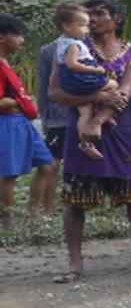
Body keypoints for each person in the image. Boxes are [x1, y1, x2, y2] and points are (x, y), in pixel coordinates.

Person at [47, 0, 131, 281]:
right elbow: (54, 93)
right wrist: (95, 98)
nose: (92, 19)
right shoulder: (71, 46)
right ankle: (74, 263)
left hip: (122, 130)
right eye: (88, 14)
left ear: (117, 19)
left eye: (100, 13)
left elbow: (126, 93)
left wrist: (97, 120)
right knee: (75, 198)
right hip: (80, 127)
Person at [0, 13, 55, 232]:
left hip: (21, 123)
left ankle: (33, 214)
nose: (22, 40)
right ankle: (6, 223)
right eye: (18, 35)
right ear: (2, 38)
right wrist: (15, 103)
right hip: (7, 123)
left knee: (47, 164)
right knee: (8, 174)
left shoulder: (5, 63)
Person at [52, 2, 114, 159]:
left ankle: (85, 144)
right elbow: (73, 65)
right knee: (113, 84)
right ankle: (106, 113)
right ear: (66, 26)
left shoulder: (60, 42)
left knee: (84, 113)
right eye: (82, 26)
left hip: (70, 83)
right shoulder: (74, 44)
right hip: (80, 79)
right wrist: (96, 70)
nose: (87, 30)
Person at [29, 13, 71, 220]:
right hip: (57, 116)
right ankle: (44, 211)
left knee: (75, 166)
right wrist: (45, 117)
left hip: (81, 116)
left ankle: (71, 208)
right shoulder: (48, 51)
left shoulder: (89, 48)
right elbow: (43, 85)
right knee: (51, 164)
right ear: (65, 25)